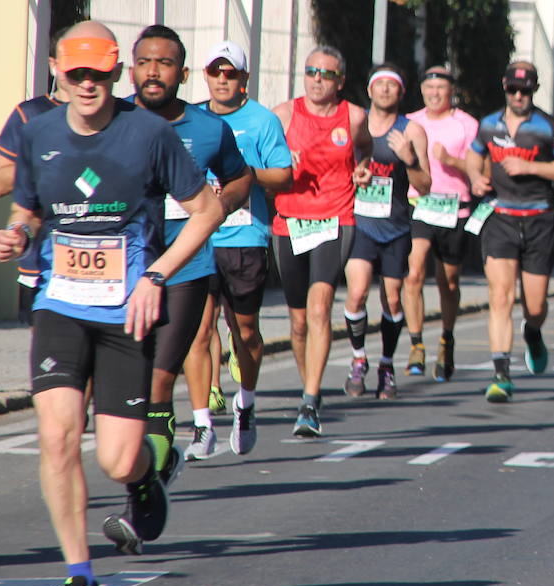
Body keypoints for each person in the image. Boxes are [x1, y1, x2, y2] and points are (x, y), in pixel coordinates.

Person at [0, 22, 221, 586]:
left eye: (99, 73)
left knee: (118, 459)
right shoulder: (38, 132)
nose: (88, 84)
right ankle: (79, 577)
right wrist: (17, 233)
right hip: (60, 305)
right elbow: (29, 207)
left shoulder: (147, 134)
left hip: (127, 310)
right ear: (58, 75)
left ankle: (144, 481)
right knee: (58, 438)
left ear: (115, 73)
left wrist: (158, 276)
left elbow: (207, 209)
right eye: (77, 74)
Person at [122, 26, 250, 485]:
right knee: (124, 386)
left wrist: (220, 206)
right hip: (127, 268)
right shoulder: (116, 122)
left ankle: (148, 484)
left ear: (183, 73)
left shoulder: (209, 128)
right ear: (131, 69)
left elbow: (240, 178)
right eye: (145, 62)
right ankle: (149, 455)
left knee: (159, 377)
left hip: (186, 267)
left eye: (165, 63)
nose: (153, 72)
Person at [271, 46, 373, 437]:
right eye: (311, 71)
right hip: (290, 222)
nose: (317, 79)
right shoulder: (283, 114)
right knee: (298, 323)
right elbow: (259, 162)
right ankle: (308, 386)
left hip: (335, 219)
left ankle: (310, 401)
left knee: (319, 307)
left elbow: (365, 146)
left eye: (326, 74)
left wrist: (362, 166)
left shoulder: (354, 116)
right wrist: (281, 166)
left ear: (340, 82)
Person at [466, 61, 554, 402]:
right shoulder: (488, 125)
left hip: (538, 220)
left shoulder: (549, 126)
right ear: (504, 88)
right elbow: (474, 156)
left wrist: (530, 166)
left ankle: (533, 333)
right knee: (500, 296)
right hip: (500, 217)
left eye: (526, 90)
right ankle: (501, 375)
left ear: (534, 90)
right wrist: (475, 177)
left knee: (535, 306)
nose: (519, 96)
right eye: (513, 90)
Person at [199, 41, 293, 455]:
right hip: (199, 238)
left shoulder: (262, 121)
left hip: (245, 237)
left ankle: (247, 401)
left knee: (246, 332)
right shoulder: (193, 119)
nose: (222, 78)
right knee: (199, 332)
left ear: (244, 79)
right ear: (205, 75)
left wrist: (247, 176)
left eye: (230, 72)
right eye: (216, 71)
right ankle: (202, 423)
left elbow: (285, 176)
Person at [342, 64, 430, 399]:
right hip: (360, 223)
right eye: (379, 84)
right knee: (357, 293)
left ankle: (387, 364)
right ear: (369, 90)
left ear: (401, 92)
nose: (385, 91)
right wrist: (353, 175)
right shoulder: (354, 123)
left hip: (394, 227)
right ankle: (359, 358)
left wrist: (409, 160)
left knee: (393, 298)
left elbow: (425, 186)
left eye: (392, 86)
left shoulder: (412, 131)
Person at [404, 65, 480, 382]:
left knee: (448, 282)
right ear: (422, 91)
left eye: (441, 89)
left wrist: (452, 162)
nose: (435, 94)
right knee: (415, 270)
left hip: (455, 209)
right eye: (429, 88)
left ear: (452, 92)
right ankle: (416, 343)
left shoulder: (467, 125)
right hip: (419, 205)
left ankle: (446, 338)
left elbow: (480, 170)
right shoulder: (411, 122)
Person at [0, 34, 68, 321]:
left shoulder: (116, 115)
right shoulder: (30, 114)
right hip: (43, 256)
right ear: (54, 64)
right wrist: (50, 162)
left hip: (108, 261)